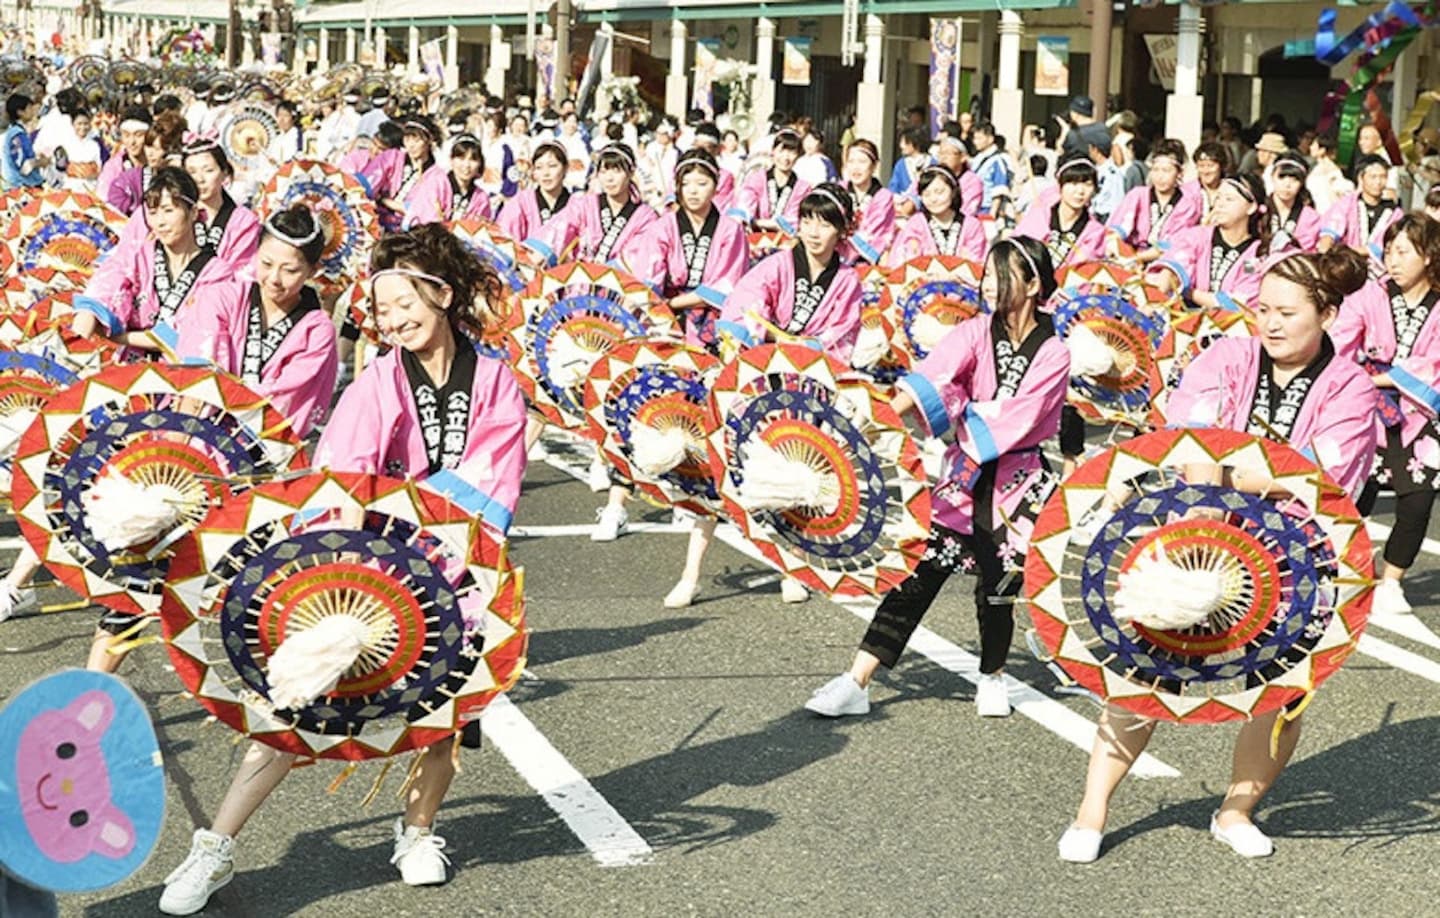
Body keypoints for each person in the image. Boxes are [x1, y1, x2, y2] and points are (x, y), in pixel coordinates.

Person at [157, 224, 527, 914]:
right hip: (364, 573)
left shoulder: (497, 380)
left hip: (452, 571)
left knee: (443, 717)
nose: (393, 321)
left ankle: (417, 832)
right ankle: (213, 849)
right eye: (382, 311)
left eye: (405, 304)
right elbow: (345, 477)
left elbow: (497, 475)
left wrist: (441, 550)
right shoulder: (379, 377)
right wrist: (349, 575)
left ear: (442, 294)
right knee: (294, 710)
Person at [1058, 247, 1377, 864]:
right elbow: (1191, 442)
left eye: (1288, 312)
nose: (1272, 323)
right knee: (1140, 673)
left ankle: (1234, 810)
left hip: (1292, 561)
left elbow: (1322, 475)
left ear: (1329, 314)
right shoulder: (1228, 354)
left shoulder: (1352, 387)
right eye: (1263, 309)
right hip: (1192, 536)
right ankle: (1091, 811)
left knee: (1277, 691)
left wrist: (1232, 474)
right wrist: (1209, 515)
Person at [805, 236, 1068, 719]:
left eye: (1000, 275)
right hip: (963, 477)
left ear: (1032, 285)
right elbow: (932, 378)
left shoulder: (1054, 352)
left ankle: (992, 675)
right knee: (917, 574)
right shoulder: (973, 331)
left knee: (997, 585)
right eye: (986, 274)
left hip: (1013, 485)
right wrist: (874, 424)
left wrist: (967, 421)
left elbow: (1024, 414)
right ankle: (856, 679)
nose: (987, 284)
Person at [1330, 215, 1440, 616]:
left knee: (1417, 499)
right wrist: (1359, 381)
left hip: (1424, 410)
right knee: (1354, 493)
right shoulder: (1368, 296)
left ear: (1428, 256)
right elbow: (1341, 343)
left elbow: (1436, 362)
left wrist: (1388, 379)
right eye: (1389, 251)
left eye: (1403, 252)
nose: (1392, 260)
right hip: (1367, 404)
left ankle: (1392, 579)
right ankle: (1342, 566)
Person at [173, 205, 339, 437]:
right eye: (266, 264)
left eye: (290, 270)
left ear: (312, 271)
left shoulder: (317, 330)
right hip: (200, 432)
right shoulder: (220, 297)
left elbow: (289, 398)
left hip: (266, 446)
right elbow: (199, 371)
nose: (274, 279)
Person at [630, 148, 747, 349]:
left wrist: (673, 303)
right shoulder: (663, 227)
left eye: (702, 184)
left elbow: (725, 285)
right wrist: (659, 306)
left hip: (714, 318)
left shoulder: (731, 230)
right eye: (685, 184)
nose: (693, 191)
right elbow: (649, 279)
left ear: (715, 186)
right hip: (665, 319)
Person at [527, 142, 657, 271]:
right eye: (603, 171)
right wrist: (537, 255)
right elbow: (560, 228)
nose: (609, 178)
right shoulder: (584, 204)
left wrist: (602, 273)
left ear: (631, 172)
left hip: (618, 286)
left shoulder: (646, 217)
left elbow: (638, 256)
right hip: (578, 285)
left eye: (616, 171)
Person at [1151, 173, 1271, 311]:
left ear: (1251, 207)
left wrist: (1189, 293)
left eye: (1229, 199)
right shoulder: (1198, 236)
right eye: (1218, 197)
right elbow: (1174, 267)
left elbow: (1240, 301)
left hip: (1230, 327)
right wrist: (1159, 294)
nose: (1220, 204)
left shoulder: (1255, 255)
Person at [1104, 138, 1203, 263]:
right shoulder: (1137, 194)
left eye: (1166, 171)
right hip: (1127, 255)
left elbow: (1174, 243)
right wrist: (1115, 245)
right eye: (1155, 170)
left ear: (1179, 173)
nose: (1159, 176)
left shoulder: (1188, 204)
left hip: (1166, 263)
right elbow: (1119, 226)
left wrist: (1136, 259)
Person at [1012, 153, 1106, 271]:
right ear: (1060, 185)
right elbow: (1017, 251)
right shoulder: (1040, 215)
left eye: (1088, 185)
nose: (1080, 191)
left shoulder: (1095, 232)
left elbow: (1086, 273)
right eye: (1073, 183)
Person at [886, 163, 987, 266]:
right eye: (926, 194)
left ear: (953, 191)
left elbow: (977, 263)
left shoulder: (972, 225)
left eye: (939, 192)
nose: (933, 199)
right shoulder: (916, 224)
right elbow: (907, 261)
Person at [1318, 153, 1400, 271]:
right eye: (1373, 177)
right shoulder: (1346, 204)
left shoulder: (1394, 212)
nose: (1378, 182)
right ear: (1361, 178)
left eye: (1383, 177)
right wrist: (1326, 245)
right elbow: (1330, 230)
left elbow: (1387, 246)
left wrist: (1346, 251)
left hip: (1379, 272)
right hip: (1345, 267)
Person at [364, 115, 439, 234]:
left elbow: (419, 211)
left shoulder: (435, 175)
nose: (411, 145)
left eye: (417, 140)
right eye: (407, 139)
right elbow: (367, 183)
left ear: (428, 141)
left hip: (407, 232)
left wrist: (382, 199)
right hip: (375, 220)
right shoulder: (392, 156)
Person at [728, 127, 809, 233]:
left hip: (787, 243)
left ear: (798, 155)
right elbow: (744, 205)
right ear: (773, 151)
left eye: (792, 152)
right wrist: (748, 220)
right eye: (781, 151)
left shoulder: (803, 188)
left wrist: (757, 222)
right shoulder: (756, 178)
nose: (786, 157)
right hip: (754, 240)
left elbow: (793, 220)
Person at [404, 132, 493, 228]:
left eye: (473, 160)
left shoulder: (481, 198)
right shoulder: (436, 184)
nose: (466, 165)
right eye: (461, 158)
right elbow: (424, 218)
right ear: (451, 159)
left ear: (480, 163)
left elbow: (479, 229)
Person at [495, 138, 569, 243]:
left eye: (552, 166)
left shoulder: (575, 206)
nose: (545, 173)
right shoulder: (520, 202)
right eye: (539, 167)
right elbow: (504, 238)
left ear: (565, 168)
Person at [839, 139, 897, 264]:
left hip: (867, 261)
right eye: (851, 161)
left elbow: (875, 234)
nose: (856, 167)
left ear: (874, 166)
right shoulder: (838, 190)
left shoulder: (884, 197)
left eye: (862, 161)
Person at [1266, 153, 1322, 253]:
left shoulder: (1311, 217)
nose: (1287, 185)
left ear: (1302, 183)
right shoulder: (1260, 210)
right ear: (1272, 177)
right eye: (1281, 177)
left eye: (1295, 179)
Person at [96, 104, 150, 201]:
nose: (132, 142)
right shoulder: (113, 167)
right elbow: (103, 199)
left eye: (138, 135)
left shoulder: (157, 163)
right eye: (126, 135)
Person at [2, 92, 47, 190]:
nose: (32, 111)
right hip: (23, 187)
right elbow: (24, 166)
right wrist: (42, 162)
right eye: (29, 108)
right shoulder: (17, 135)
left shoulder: (14, 132)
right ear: (20, 112)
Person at [1182, 141, 1230, 224]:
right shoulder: (1186, 192)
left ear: (1221, 166)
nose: (1206, 171)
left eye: (1210, 166)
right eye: (1201, 166)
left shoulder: (1230, 190)